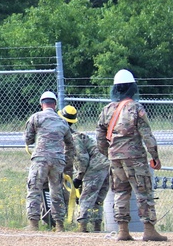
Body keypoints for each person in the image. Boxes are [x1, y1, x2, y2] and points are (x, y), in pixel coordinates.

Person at [95, 69, 167, 242]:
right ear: (132, 88)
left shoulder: (106, 110)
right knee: (143, 192)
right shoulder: (136, 108)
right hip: (135, 157)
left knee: (120, 192)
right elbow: (147, 135)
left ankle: (122, 231)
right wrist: (154, 156)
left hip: (115, 158)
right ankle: (149, 230)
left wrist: (109, 153)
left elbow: (99, 137)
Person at [23, 91, 75, 232]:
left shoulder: (36, 118)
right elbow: (70, 145)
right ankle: (59, 225)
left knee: (34, 189)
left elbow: (28, 139)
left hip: (40, 158)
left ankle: (33, 224)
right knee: (56, 191)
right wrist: (67, 163)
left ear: (41, 104)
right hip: (58, 160)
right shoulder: (62, 121)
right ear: (55, 104)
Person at [59, 105, 110, 233]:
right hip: (107, 165)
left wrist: (79, 178)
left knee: (87, 197)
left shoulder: (74, 139)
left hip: (95, 167)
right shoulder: (79, 136)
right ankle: (97, 226)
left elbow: (82, 160)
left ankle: (82, 226)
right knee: (98, 199)